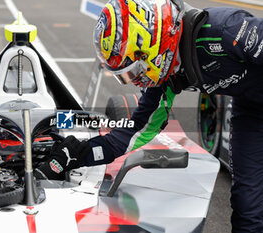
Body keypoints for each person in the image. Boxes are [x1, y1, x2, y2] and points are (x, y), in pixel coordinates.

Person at [35, 0, 263, 232]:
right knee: (247, 205)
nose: (135, 80)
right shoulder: (166, 74)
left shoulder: (227, 30)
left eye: (134, 70)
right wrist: (77, 154)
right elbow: (133, 134)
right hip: (250, 110)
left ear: (152, 45)